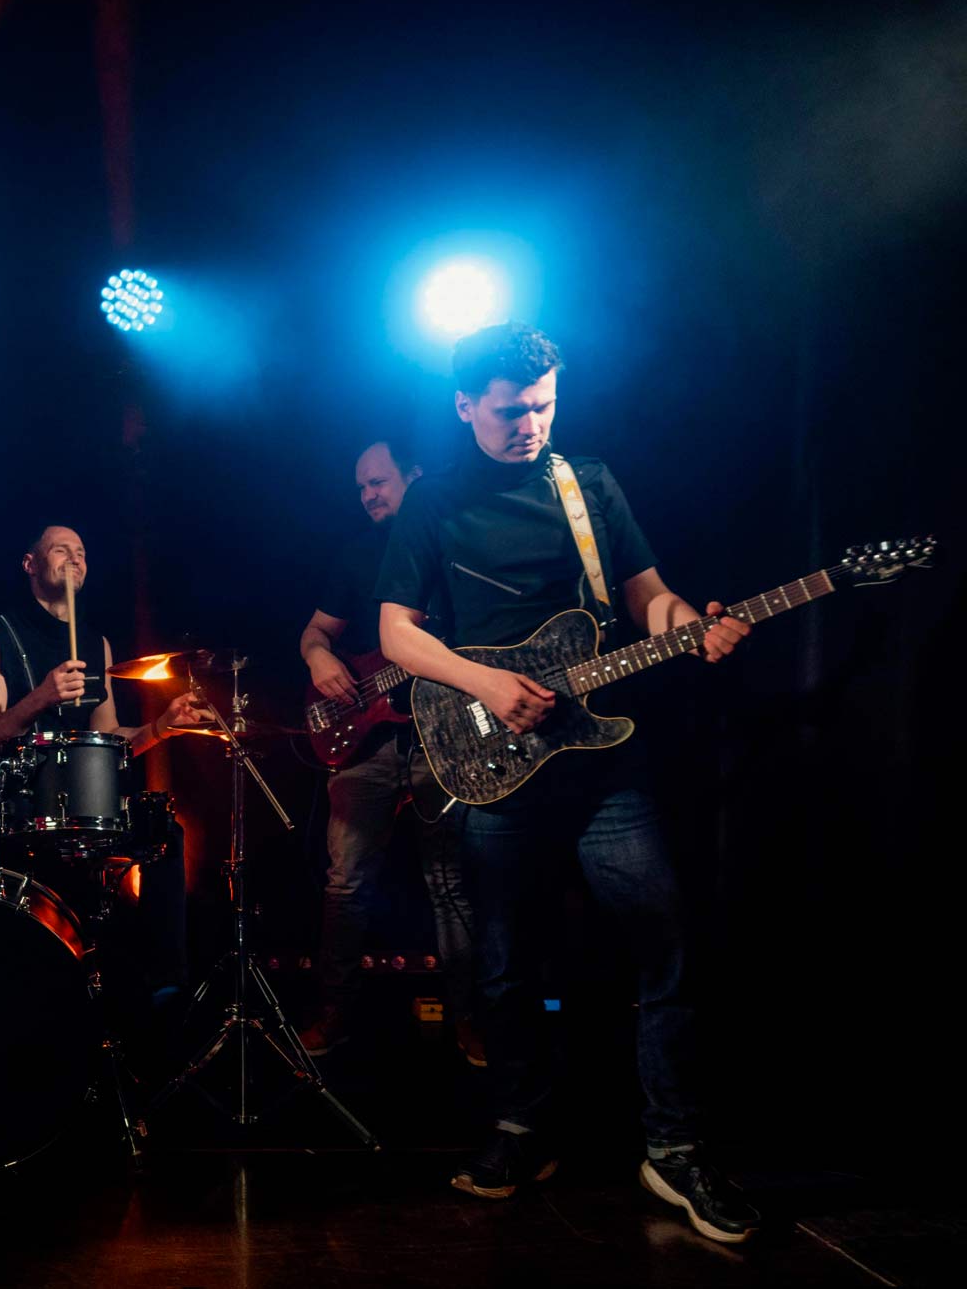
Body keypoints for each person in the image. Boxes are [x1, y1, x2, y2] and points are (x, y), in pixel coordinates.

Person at [374, 321, 761, 1243]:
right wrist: (485, 683)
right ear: (465, 406)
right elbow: (396, 632)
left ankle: (674, 1146)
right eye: (511, 411)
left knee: (664, 937)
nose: (532, 425)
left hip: (604, 760)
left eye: (545, 405)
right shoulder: (433, 503)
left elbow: (647, 596)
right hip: (495, 761)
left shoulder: (588, 483)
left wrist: (688, 622)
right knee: (505, 963)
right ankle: (521, 1127)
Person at [0, 524, 216, 1000]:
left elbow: (110, 738)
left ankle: (165, 984)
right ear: (30, 564)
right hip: (12, 798)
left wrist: (162, 725)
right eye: (61, 550)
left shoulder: (96, 644)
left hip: (81, 797)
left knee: (163, 829)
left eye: (80, 551)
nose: (74, 558)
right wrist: (40, 698)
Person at [298, 441, 479, 1065]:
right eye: (362, 487)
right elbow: (316, 630)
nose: (369, 495)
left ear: (415, 476)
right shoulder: (356, 553)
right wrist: (319, 658)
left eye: (378, 482)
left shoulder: (455, 542)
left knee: (451, 882)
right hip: (368, 741)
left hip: (444, 734)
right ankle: (333, 1016)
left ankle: (471, 1020)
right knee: (345, 882)